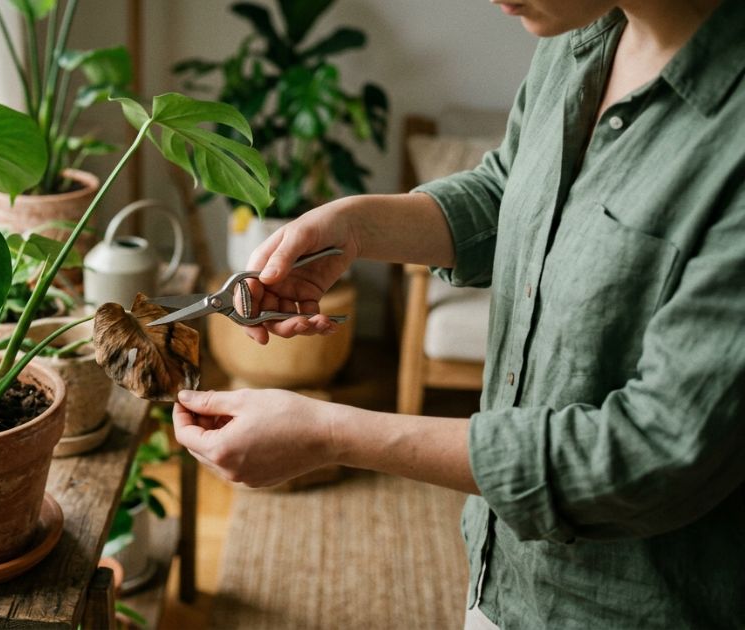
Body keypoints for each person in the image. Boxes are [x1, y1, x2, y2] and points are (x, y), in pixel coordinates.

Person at [171, 0, 744, 627]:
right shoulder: (580, 32)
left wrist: (330, 435)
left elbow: (650, 453)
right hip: (501, 577)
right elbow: (510, 188)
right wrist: (357, 226)